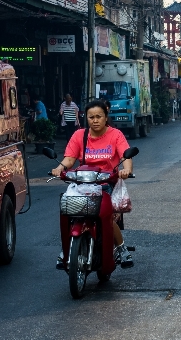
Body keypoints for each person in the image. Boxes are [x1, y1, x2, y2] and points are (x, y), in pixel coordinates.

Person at [50, 99, 134, 268]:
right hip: (82, 183)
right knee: (69, 210)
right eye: (91, 117)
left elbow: (126, 156)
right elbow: (69, 158)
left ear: (105, 117)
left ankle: (121, 248)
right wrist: (59, 168)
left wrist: (126, 170)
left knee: (107, 216)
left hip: (105, 183)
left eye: (98, 116)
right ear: (85, 118)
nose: (95, 120)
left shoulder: (116, 135)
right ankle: (66, 249)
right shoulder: (79, 135)